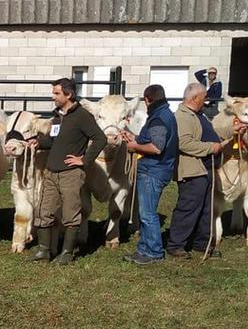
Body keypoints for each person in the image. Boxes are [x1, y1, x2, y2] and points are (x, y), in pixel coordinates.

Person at [28, 78, 106, 264]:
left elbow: (100, 138)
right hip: (50, 173)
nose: (52, 97)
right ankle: (44, 250)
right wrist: (39, 142)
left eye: (56, 93)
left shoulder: (82, 116)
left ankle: (67, 253)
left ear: (69, 94)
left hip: (70, 174)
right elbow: (53, 140)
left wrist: (84, 160)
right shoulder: (58, 116)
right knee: (43, 211)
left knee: (70, 214)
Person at [120, 84, 178, 265]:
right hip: (158, 169)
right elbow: (152, 140)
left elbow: (156, 147)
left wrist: (134, 146)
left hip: (153, 170)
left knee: (147, 214)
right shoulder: (165, 114)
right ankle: (144, 249)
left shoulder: (158, 118)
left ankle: (154, 252)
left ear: (147, 99)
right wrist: (135, 138)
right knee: (146, 213)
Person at [166, 83, 223, 259]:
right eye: (204, 98)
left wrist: (231, 130)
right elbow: (184, 143)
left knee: (206, 209)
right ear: (195, 98)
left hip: (205, 169)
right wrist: (210, 148)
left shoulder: (199, 115)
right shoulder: (183, 117)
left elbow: (211, 132)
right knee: (188, 208)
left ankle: (201, 243)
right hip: (192, 170)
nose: (206, 101)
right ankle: (176, 245)